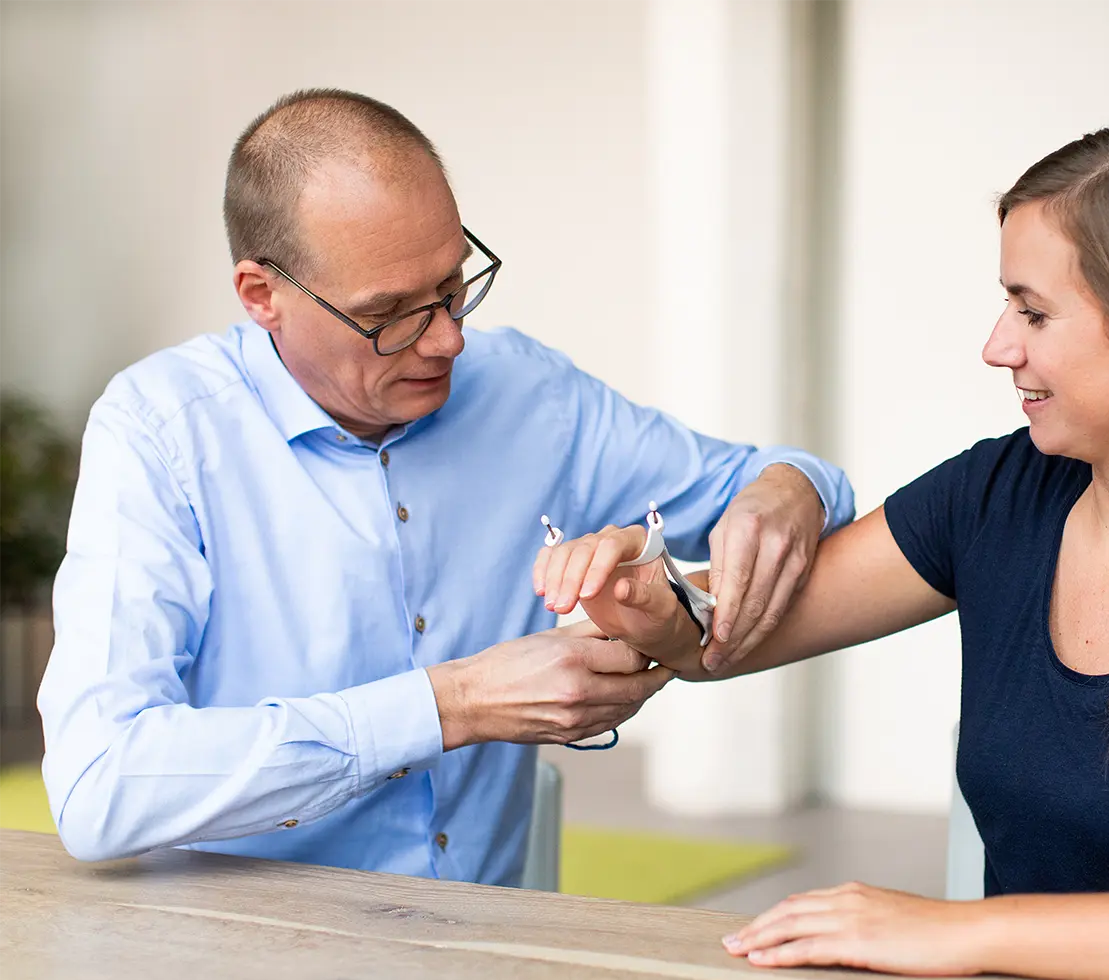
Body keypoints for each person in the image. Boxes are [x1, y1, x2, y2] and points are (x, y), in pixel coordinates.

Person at [536, 122, 1109, 980]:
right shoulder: (1002, 493)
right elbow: (724, 639)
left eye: (1034, 312)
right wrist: (648, 593)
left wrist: (958, 930)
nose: (999, 346)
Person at [37, 88, 854, 886]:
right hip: (249, 962)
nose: (450, 339)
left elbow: (767, 481)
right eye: (390, 312)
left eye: (454, 285)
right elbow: (99, 788)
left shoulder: (530, 394)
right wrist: (450, 705)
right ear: (263, 296)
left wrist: (789, 488)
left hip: (489, 948)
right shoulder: (160, 430)